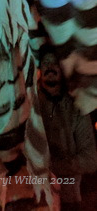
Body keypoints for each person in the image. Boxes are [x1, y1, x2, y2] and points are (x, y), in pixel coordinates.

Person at [38, 44, 97, 210]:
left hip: (70, 198)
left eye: (54, 63)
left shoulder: (76, 108)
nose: (49, 67)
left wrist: (50, 168)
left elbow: (90, 160)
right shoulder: (31, 107)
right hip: (37, 199)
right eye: (45, 63)